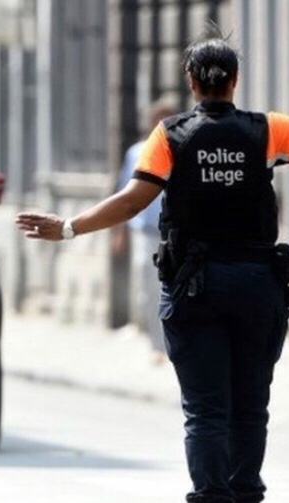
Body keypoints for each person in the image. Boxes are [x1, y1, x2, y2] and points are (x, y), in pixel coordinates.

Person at [16, 27, 289, 503]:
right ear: (235, 80)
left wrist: (69, 227)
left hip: (195, 288)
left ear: (191, 81)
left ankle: (212, 495)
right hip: (258, 286)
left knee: (206, 409)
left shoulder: (170, 135)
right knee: (251, 405)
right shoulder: (267, 130)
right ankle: (246, 493)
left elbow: (133, 201)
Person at [114, 96, 178, 363]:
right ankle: (156, 345)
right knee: (149, 288)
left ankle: (175, 343)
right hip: (146, 232)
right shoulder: (137, 152)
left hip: (175, 231)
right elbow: (124, 194)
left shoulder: (181, 149)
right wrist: (120, 231)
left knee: (176, 287)